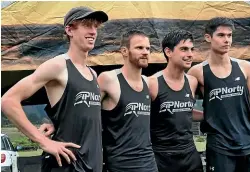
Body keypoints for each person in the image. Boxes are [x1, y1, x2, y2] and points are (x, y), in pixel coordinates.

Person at [1, 6, 109, 172]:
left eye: (96, 26)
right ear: (69, 30)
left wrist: (54, 121)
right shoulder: (58, 66)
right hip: (66, 166)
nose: (93, 31)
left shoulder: (93, 74)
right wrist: (44, 142)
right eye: (87, 25)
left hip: (92, 165)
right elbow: (8, 101)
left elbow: (79, 113)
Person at [187, 17, 250, 172]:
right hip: (220, 148)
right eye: (221, 35)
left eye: (229, 35)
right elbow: (184, 108)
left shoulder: (245, 67)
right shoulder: (197, 72)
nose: (226, 40)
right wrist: (209, 116)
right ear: (208, 37)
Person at [98, 30, 158, 172]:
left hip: (149, 162)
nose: (145, 52)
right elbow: (85, 112)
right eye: (139, 48)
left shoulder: (149, 83)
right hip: (120, 163)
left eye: (148, 48)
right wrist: (55, 125)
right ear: (124, 51)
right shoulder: (108, 79)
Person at [148, 30, 203, 172]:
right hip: (162, 157)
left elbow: (183, 111)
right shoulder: (152, 83)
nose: (190, 54)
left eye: (192, 49)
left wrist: (209, 115)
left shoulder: (192, 81)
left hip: (190, 154)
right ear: (168, 52)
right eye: (184, 49)